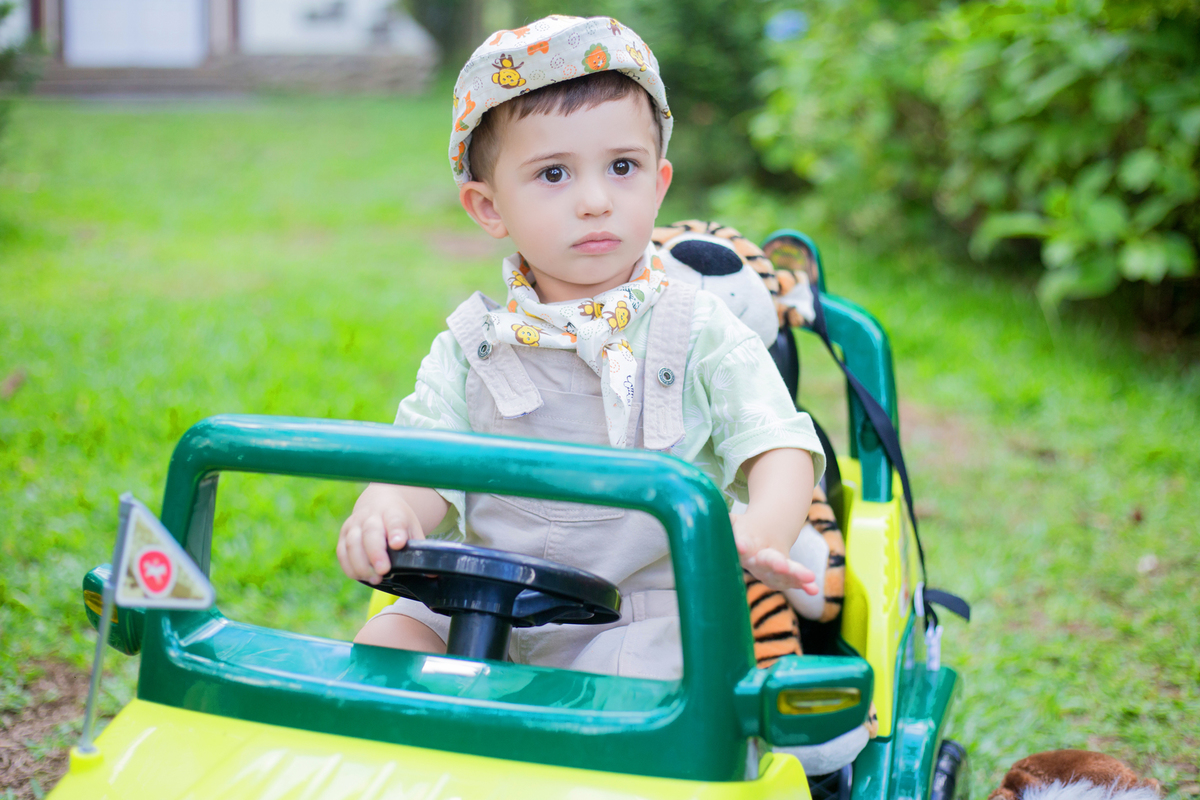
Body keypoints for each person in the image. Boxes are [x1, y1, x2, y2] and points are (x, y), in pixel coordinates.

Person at [335, 15, 826, 681]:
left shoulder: (700, 330)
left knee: (632, 706)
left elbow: (780, 444)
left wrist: (763, 526)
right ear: (488, 207)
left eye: (622, 167)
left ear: (658, 184)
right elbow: (423, 464)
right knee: (387, 647)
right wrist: (388, 507)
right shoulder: (470, 348)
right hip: (479, 597)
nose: (595, 200)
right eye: (554, 174)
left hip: (641, 614)